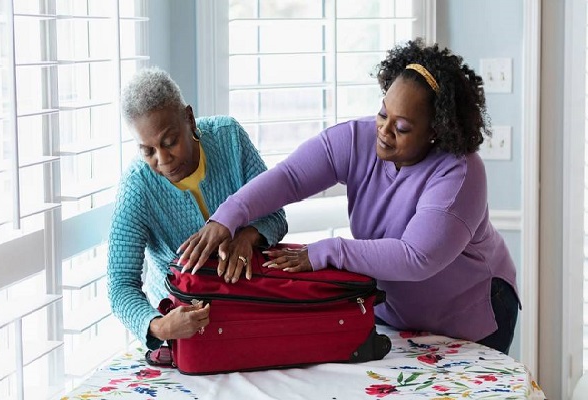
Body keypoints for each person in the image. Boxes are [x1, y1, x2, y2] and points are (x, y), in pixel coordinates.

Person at [176, 39, 520, 355]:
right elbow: (290, 177)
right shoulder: (356, 140)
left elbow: (417, 256)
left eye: (402, 128)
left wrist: (326, 252)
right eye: (383, 113)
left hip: (470, 314)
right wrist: (227, 216)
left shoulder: (460, 173)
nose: (384, 131)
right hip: (396, 312)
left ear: (436, 131)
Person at [107, 67, 288, 357]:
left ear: (189, 119)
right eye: (148, 151)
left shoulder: (230, 138)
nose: (163, 160)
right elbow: (120, 286)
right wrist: (160, 326)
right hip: (184, 330)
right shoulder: (137, 187)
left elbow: (276, 215)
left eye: (170, 142)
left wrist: (247, 237)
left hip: (251, 306)